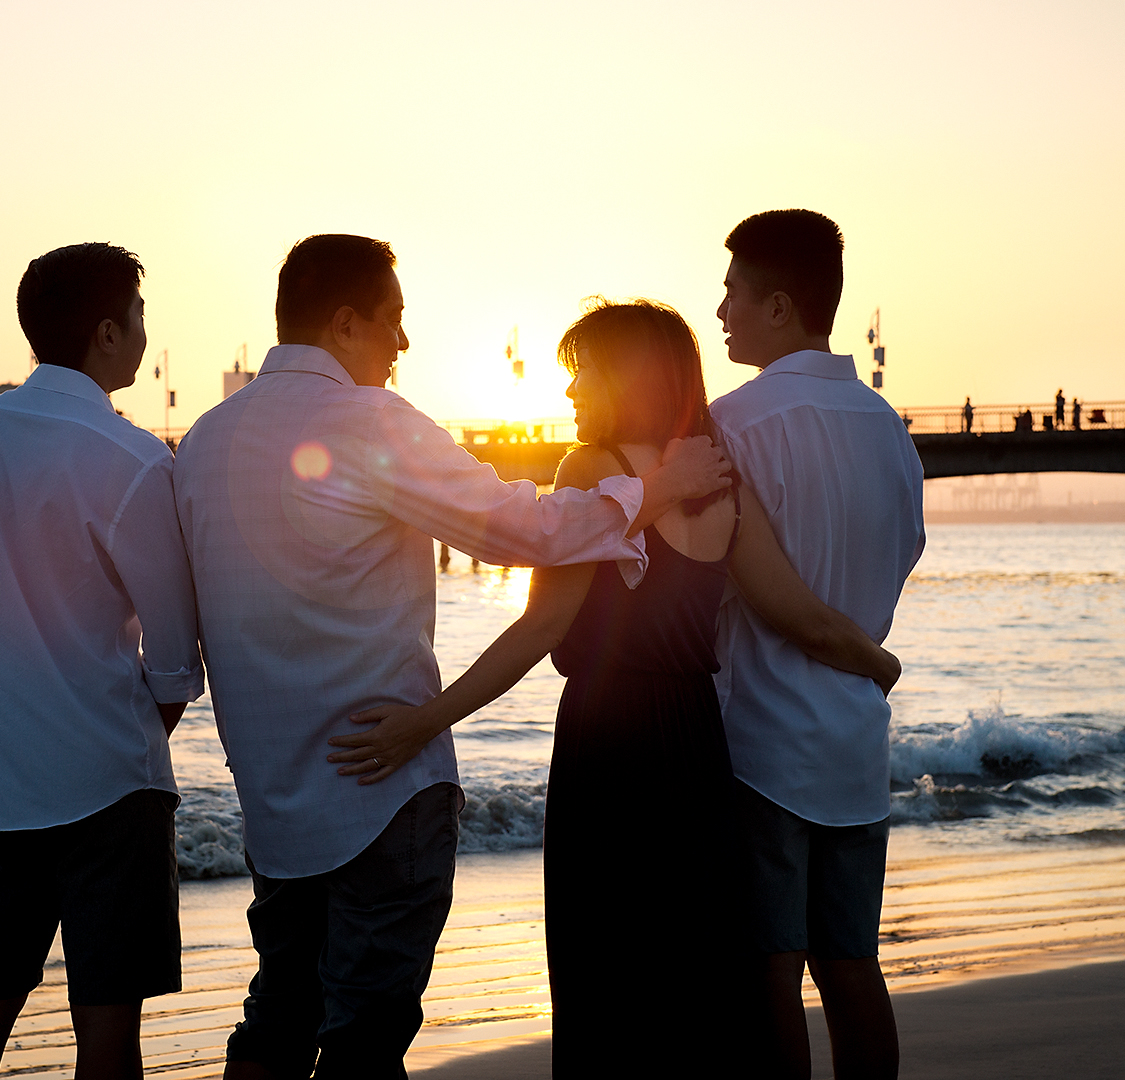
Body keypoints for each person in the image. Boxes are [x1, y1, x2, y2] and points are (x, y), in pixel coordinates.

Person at [173, 234, 732, 1080]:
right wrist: (654, 489)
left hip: (273, 802)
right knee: (365, 1038)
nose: (404, 341)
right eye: (393, 319)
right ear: (346, 322)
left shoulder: (203, 443)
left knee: (278, 1018)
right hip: (384, 790)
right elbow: (524, 530)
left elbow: (188, 624)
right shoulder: (371, 420)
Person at [331, 300, 900, 1076]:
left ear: (627, 376)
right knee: (689, 976)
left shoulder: (593, 470)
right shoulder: (719, 479)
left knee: (605, 970)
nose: (570, 389)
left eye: (584, 371)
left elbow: (540, 629)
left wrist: (424, 721)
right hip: (698, 748)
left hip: (610, 742)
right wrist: (879, 665)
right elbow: (797, 613)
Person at [0, 242, 204, 1080]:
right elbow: (175, 655)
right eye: (140, 316)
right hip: (110, 795)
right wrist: (119, 734)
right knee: (108, 1042)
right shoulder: (134, 460)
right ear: (108, 332)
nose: (145, 333)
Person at [710, 210, 925, 1080]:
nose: (720, 309)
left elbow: (754, 591)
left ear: (779, 306)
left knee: (770, 970)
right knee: (851, 964)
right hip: (856, 737)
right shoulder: (888, 427)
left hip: (763, 739)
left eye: (733, 291)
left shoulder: (731, 423)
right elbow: (906, 551)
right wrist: (867, 653)